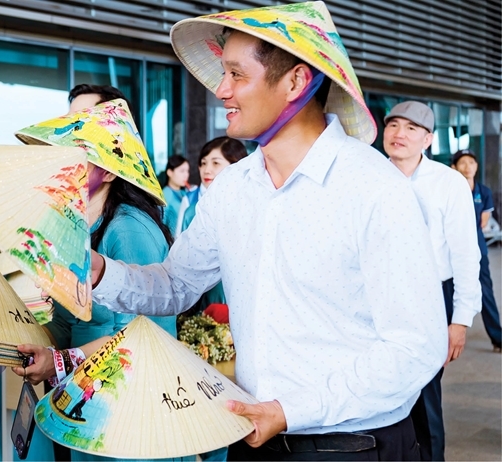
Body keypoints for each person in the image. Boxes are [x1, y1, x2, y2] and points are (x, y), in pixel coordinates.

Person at [88, 3, 447, 460]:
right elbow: (177, 283)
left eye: (237, 74)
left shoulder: (375, 189)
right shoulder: (232, 188)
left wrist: (291, 409)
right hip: (254, 435)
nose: (221, 90)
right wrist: (99, 271)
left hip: (352, 446)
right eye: (222, 73)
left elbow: (416, 345)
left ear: (295, 81)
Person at [14, 86, 188, 461]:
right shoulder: (72, 226)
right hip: (84, 398)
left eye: (80, 147)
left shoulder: (128, 230)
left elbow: (142, 338)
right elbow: (65, 320)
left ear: (110, 167)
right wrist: (20, 335)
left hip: (127, 406)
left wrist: (58, 361)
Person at [383, 101, 481, 461]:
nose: (399, 134)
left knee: (425, 397)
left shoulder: (448, 183)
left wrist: (459, 320)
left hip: (431, 296)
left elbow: (467, 254)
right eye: (393, 125)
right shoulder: (370, 176)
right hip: (378, 296)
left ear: (427, 139)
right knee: (380, 394)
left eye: (411, 128)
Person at [452, 149, 502, 352]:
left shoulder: (484, 192)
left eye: (471, 162)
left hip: (476, 250)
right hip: (450, 250)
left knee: (485, 292)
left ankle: (497, 337)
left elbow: (482, 223)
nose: (467, 167)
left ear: (476, 166)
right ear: (454, 167)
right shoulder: (449, 190)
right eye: (462, 163)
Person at [177, 137, 247, 235]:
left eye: (216, 163)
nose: (206, 170)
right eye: (203, 163)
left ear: (236, 166)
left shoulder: (249, 204)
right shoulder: (190, 205)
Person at [162, 154, 191, 237]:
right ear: (170, 172)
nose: (186, 175)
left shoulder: (185, 192)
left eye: (187, 171)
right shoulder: (165, 196)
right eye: (182, 171)